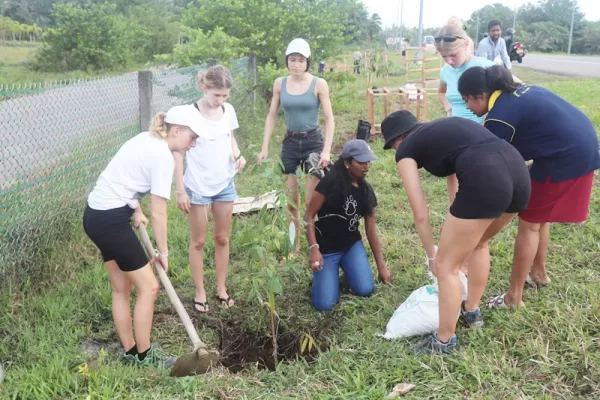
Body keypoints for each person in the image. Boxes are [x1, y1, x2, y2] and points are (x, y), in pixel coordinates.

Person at [381, 110, 531, 353]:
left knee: (446, 267)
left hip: (485, 175)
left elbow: (420, 214)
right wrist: (457, 223)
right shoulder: (444, 129)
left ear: (398, 140)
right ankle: (471, 311)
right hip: (518, 171)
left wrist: (433, 257)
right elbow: (456, 189)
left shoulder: (405, 149)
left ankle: (444, 340)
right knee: (479, 244)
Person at [458, 65, 600, 309]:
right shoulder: (516, 91)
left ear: (481, 96)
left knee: (530, 223)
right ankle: (539, 273)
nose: (468, 108)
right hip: (582, 146)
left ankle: (514, 297)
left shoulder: (499, 117)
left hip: (565, 157)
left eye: (466, 101)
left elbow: (491, 165)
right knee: (538, 217)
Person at [83, 104, 209, 367]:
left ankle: (130, 352)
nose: (193, 144)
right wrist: (163, 253)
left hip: (95, 216)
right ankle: (145, 354)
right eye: (192, 137)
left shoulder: (146, 138)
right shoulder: (163, 156)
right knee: (149, 287)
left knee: (121, 288)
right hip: (112, 221)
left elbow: (123, 176)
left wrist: (135, 208)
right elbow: (160, 213)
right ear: (176, 130)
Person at [174, 65, 246, 313]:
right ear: (205, 87)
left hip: (225, 182)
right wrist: (180, 190)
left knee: (222, 238)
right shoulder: (189, 114)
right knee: (199, 240)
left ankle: (222, 288)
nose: (221, 100)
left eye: (225, 96)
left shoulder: (228, 111)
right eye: (216, 95)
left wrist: (237, 154)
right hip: (198, 186)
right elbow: (178, 153)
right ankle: (200, 291)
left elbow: (230, 138)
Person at [257, 38, 335, 255]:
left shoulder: (319, 84)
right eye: (292, 60)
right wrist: (264, 146)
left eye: (301, 60)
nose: (296, 64)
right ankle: (293, 247)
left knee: (312, 202)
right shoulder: (279, 83)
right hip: (290, 144)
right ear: (287, 61)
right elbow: (272, 115)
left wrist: (326, 150)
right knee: (291, 202)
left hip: (313, 143)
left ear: (307, 62)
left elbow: (329, 118)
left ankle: (315, 246)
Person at [304, 140, 391, 311]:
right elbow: (308, 216)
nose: (366, 166)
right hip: (326, 250)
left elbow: (371, 230)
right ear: (347, 163)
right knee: (324, 305)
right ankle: (329, 274)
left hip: (351, 246)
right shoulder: (329, 184)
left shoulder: (366, 191)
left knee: (366, 289)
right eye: (361, 162)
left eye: (368, 162)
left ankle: (346, 271)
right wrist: (314, 248)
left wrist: (381, 266)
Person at [435, 17, 495, 207]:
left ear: (466, 44)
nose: (449, 60)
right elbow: (442, 92)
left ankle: (479, 205)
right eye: (444, 56)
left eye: (453, 54)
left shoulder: (485, 67)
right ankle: (455, 205)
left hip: (482, 130)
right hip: (455, 129)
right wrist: (448, 109)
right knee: (452, 169)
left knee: (478, 172)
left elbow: (513, 87)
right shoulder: (446, 71)